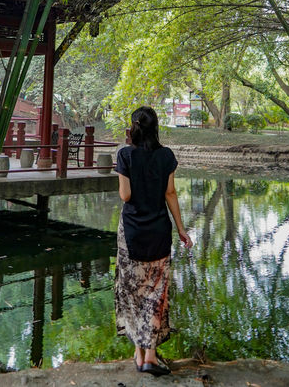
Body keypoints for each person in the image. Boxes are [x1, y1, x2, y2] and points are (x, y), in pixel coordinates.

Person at [114, 106, 193, 377]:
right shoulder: (167, 156)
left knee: (132, 291)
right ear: (156, 127)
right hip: (159, 231)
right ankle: (149, 356)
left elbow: (125, 196)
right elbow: (170, 193)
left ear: (134, 127)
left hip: (132, 232)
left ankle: (139, 353)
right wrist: (182, 230)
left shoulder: (125, 155)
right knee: (156, 293)